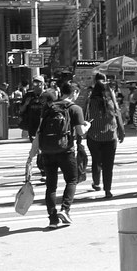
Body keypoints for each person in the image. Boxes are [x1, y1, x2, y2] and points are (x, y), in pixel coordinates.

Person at [37, 80, 89, 228]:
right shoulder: (75, 109)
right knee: (72, 180)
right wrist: (87, 126)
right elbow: (80, 132)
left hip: (47, 150)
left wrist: (33, 152)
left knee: (51, 185)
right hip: (66, 150)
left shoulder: (48, 107)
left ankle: (52, 219)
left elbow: (40, 130)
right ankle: (65, 209)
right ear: (74, 93)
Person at [84, 72, 125, 199]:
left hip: (94, 136)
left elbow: (84, 116)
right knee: (109, 164)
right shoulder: (110, 100)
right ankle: (108, 190)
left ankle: (96, 183)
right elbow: (117, 113)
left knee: (96, 161)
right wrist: (121, 131)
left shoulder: (90, 100)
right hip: (110, 136)